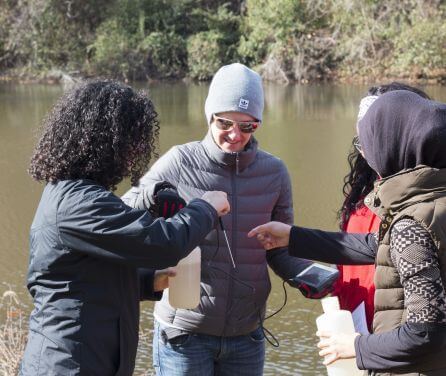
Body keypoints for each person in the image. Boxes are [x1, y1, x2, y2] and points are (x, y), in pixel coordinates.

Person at [20, 80, 230, 376]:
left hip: (90, 361)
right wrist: (206, 207)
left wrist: (150, 282)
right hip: (67, 365)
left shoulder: (80, 195)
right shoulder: (77, 203)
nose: (135, 152)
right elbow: (163, 243)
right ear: (103, 141)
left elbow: (89, 276)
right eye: (130, 141)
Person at [122, 63, 318, 376]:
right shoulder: (180, 161)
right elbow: (121, 215)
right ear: (210, 115)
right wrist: (154, 196)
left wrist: (308, 273)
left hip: (247, 335)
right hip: (183, 334)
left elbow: (280, 249)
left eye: (248, 126)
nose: (235, 134)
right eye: (225, 122)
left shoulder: (275, 172)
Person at [249, 90, 446, 375]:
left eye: (369, 142)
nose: (366, 154)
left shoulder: (410, 224)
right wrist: (293, 237)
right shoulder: (432, 206)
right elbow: (377, 245)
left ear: (395, 145)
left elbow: (424, 331)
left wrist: (356, 346)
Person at [334, 83, 431, 331]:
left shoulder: (422, 196)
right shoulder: (362, 193)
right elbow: (352, 259)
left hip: (395, 338)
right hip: (355, 330)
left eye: (373, 139)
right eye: (361, 142)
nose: (366, 151)